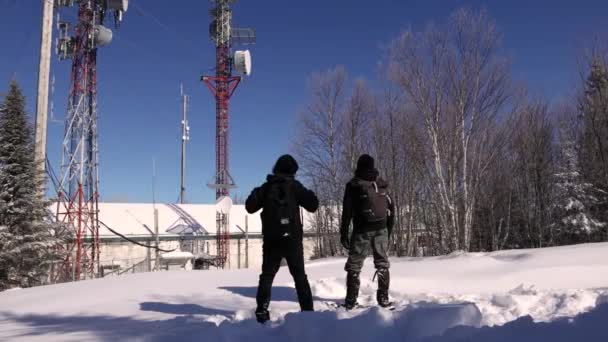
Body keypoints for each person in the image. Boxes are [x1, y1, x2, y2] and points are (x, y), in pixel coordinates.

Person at [246, 154, 319, 323]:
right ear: (293, 171)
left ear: (276, 168)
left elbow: (250, 206)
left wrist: (257, 192)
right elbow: (313, 205)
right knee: (300, 277)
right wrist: (308, 193)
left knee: (267, 276)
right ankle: (308, 313)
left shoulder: (266, 187)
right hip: (292, 239)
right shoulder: (295, 186)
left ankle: (262, 312)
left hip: (272, 240)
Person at [340, 154, 394, 309]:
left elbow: (347, 211)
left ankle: (350, 301)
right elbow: (391, 208)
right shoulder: (380, 183)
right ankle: (383, 299)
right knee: (382, 264)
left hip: (361, 230)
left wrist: (343, 233)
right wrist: (388, 230)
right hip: (381, 228)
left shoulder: (353, 185)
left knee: (354, 266)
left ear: (358, 166)